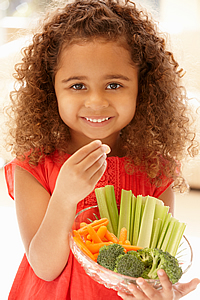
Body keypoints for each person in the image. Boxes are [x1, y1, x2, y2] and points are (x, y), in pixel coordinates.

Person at [4, 0, 200, 299]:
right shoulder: (33, 166)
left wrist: (161, 290)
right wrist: (65, 197)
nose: (96, 101)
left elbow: (151, 265)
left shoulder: (154, 169)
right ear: (50, 88)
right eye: (78, 86)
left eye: (114, 85)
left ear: (142, 88)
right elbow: (44, 267)